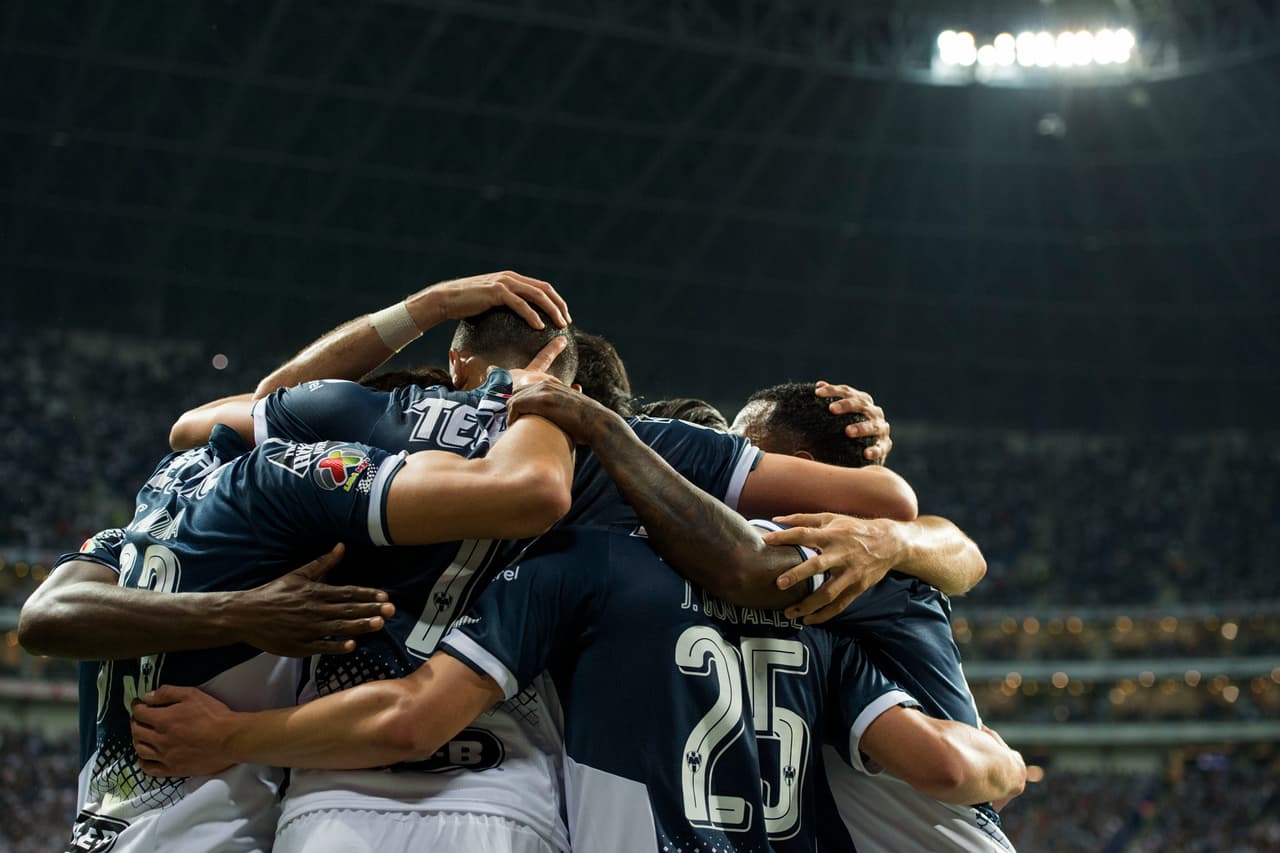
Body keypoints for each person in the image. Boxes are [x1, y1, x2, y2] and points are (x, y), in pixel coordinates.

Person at [129, 383, 1025, 852]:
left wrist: (236, 735)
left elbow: (414, 713)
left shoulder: (590, 571)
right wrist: (1010, 764)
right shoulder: (832, 606)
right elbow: (948, 755)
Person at [22, 347, 574, 853]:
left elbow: (45, 620)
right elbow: (529, 491)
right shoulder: (283, 483)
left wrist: (423, 309)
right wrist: (534, 396)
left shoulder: (146, 517)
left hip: (99, 835)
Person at [732, 382, 1019, 851]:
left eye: (744, 452)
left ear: (799, 469)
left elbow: (945, 767)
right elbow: (964, 554)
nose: (730, 466)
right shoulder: (881, 556)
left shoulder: (841, 565)